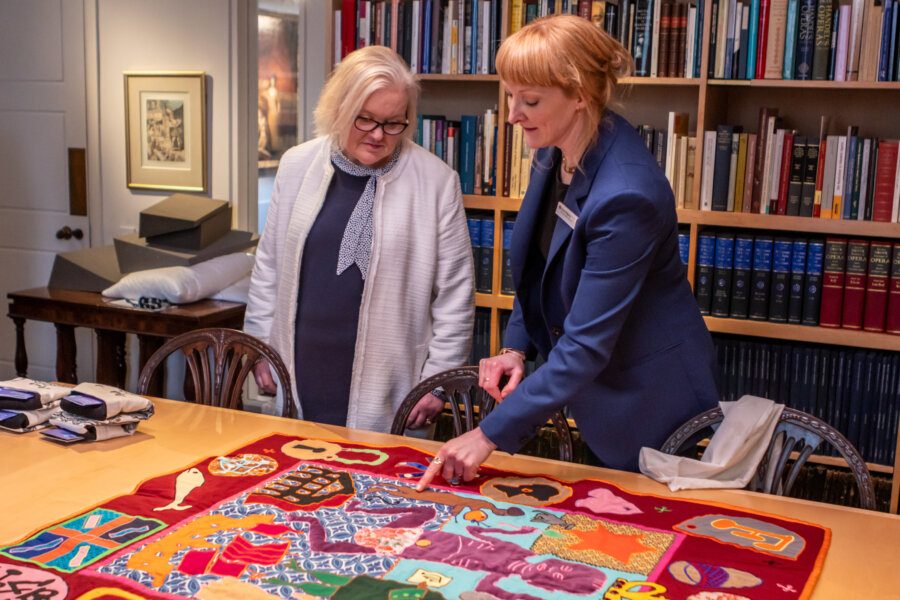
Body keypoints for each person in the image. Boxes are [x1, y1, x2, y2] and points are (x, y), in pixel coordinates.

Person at [417, 15, 719, 490]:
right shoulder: (558, 147)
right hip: (599, 389)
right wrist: (516, 346)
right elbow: (540, 266)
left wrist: (486, 435)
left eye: (530, 100)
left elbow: (584, 346)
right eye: (511, 95)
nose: (513, 114)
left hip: (648, 399)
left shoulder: (627, 195)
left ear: (581, 95)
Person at [244, 45, 474, 432]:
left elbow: (456, 294)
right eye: (364, 119)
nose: (379, 135)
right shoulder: (297, 165)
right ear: (339, 108)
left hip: (393, 379)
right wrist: (259, 347)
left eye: (393, 122)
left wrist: (439, 381)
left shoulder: (437, 182)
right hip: (301, 365)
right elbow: (269, 266)